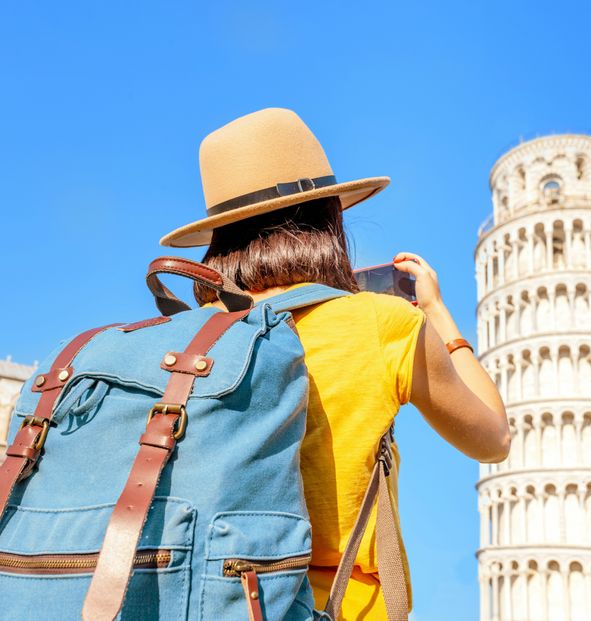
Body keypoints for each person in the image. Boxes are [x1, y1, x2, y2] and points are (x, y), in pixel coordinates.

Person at [160, 108, 509, 620]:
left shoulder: (181, 341)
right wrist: (440, 318)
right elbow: (493, 438)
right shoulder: (379, 323)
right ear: (328, 220)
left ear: (219, 238)